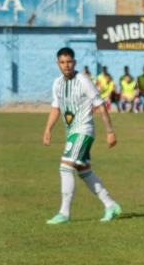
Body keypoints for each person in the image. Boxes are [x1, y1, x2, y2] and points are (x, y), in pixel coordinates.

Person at [43, 48, 122, 224]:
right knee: (84, 171)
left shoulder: (84, 81)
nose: (66, 66)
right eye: (62, 62)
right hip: (71, 133)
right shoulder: (57, 83)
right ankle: (111, 205)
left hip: (83, 130)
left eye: (69, 62)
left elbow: (101, 106)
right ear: (58, 64)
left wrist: (110, 132)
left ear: (75, 62)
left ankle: (64, 213)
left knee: (65, 167)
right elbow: (56, 107)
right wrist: (48, 129)